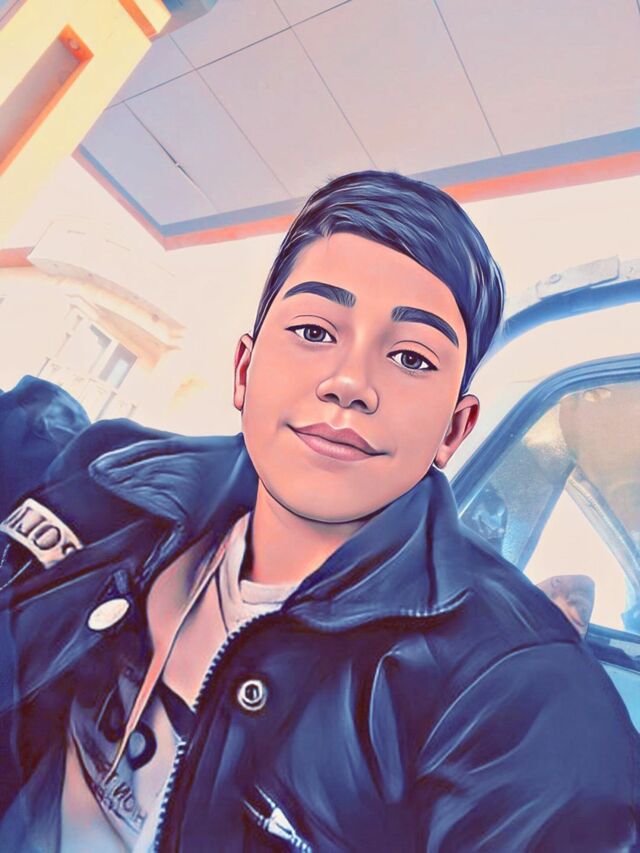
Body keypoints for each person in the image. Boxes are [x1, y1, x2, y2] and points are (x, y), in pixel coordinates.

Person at [0, 171, 638, 851]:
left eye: (411, 357)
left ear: (454, 430)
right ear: (244, 369)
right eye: (313, 329)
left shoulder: (524, 704)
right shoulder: (107, 480)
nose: (350, 383)